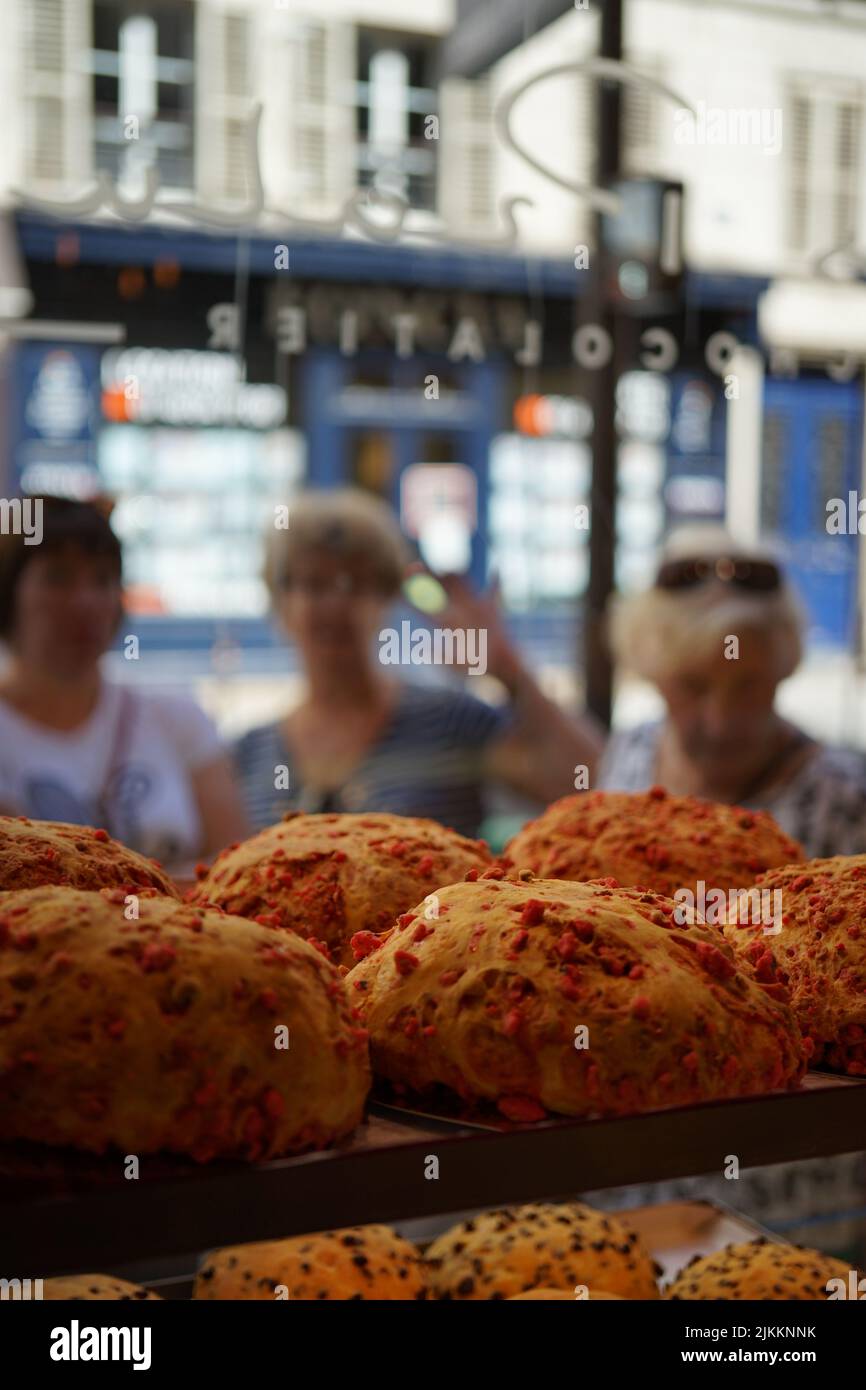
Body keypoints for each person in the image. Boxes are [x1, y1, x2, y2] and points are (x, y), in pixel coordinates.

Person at [234, 488, 602, 839]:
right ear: (280, 602)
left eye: (354, 584)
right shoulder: (249, 752)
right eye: (314, 585)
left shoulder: (450, 722)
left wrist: (511, 672)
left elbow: (588, 785)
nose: (334, 604)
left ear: (386, 597)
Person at [0, 496, 248, 872]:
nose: (84, 601)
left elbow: (239, 869)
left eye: (102, 579)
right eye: (57, 578)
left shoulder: (177, 717)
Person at [598, 527, 866, 857]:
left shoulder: (844, 799)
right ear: (651, 671)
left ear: (784, 667)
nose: (720, 722)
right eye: (692, 686)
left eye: (748, 685)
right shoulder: (630, 752)